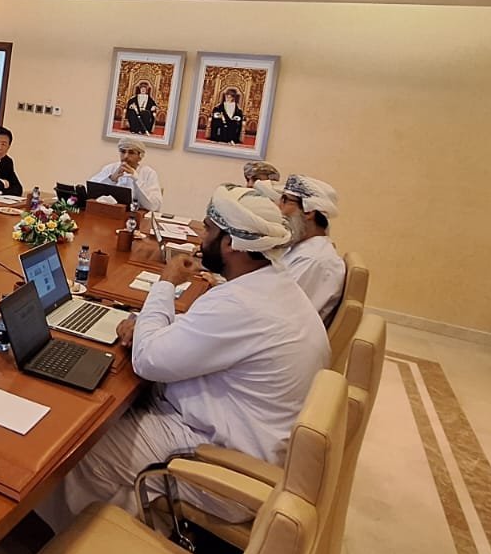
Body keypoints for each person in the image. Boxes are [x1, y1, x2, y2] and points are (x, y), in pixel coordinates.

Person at [40, 185, 327, 530]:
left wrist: (166, 283)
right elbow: (208, 335)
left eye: (208, 229)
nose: (201, 238)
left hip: (222, 463)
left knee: (78, 449)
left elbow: (147, 360)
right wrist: (151, 326)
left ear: (231, 243)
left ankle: (90, 538)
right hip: (248, 439)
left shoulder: (240, 304)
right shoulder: (272, 285)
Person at [279, 174, 347, 325]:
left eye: (285, 200)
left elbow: (282, 314)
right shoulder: (301, 248)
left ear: (309, 211)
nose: (279, 208)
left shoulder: (315, 260)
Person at [88, 138, 164, 212]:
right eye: (123, 152)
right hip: (108, 212)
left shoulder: (148, 173)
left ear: (140, 157)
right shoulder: (110, 168)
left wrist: (136, 179)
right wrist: (111, 179)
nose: (126, 156)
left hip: (135, 215)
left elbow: (155, 206)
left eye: (131, 153)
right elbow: (90, 192)